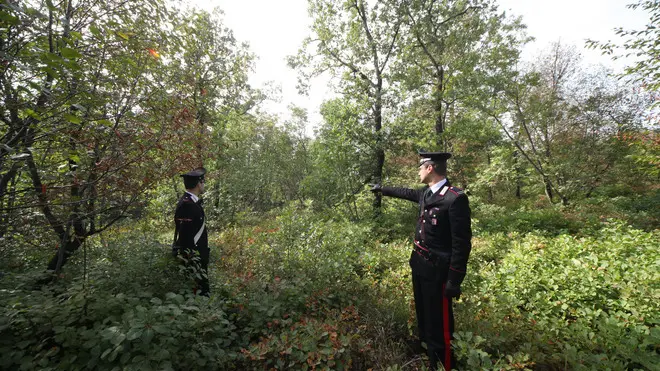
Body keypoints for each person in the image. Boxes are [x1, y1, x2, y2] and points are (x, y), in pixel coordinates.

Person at [371, 151, 472, 371]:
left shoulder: (454, 198)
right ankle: (427, 354)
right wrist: (382, 189)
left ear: (430, 168)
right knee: (424, 314)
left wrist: (454, 280)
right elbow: (406, 192)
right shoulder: (427, 193)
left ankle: (444, 364)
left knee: (441, 323)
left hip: (439, 273)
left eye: (420, 167)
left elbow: (461, 244)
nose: (418, 171)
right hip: (419, 265)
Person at [173, 167, 210, 296]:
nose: (204, 184)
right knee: (197, 290)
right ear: (198, 184)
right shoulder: (187, 205)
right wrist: (193, 258)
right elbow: (185, 235)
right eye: (203, 182)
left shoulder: (191, 202)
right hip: (193, 256)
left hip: (197, 254)